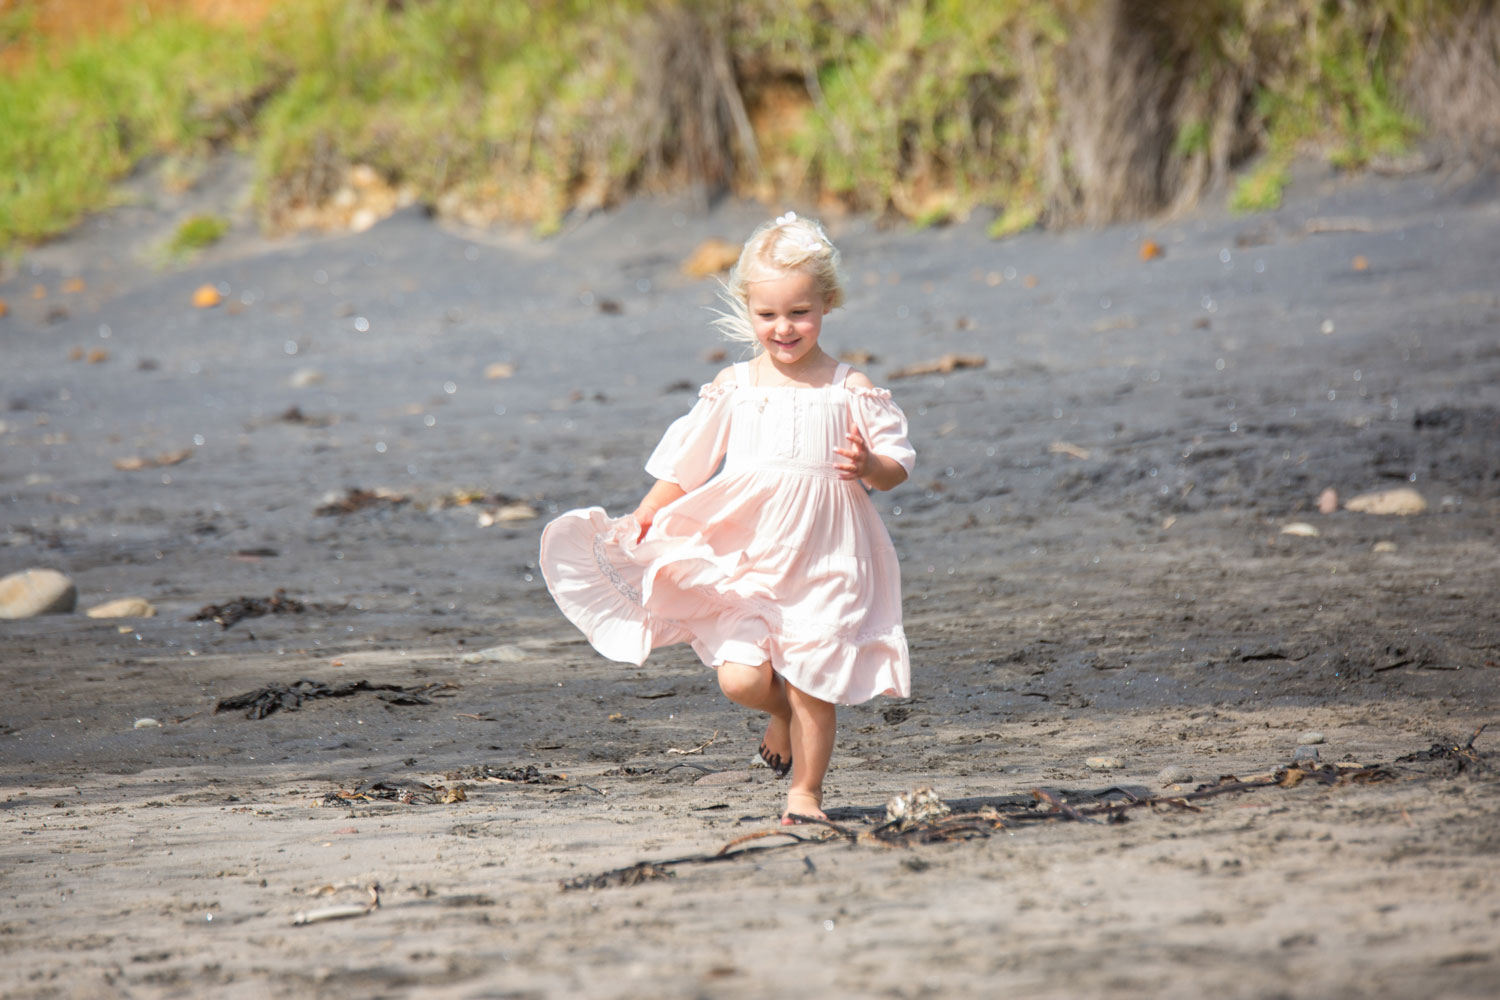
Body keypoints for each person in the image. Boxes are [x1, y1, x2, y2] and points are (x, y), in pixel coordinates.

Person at [539, 212, 914, 824]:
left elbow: (899, 463)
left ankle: (805, 794)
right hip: (750, 557)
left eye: (800, 312)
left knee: (814, 679)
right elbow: (688, 465)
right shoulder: (735, 387)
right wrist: (647, 512)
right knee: (740, 679)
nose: (784, 328)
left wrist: (870, 464)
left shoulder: (850, 389)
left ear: (828, 303)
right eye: (768, 316)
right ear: (748, 311)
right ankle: (781, 710)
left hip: (827, 559)